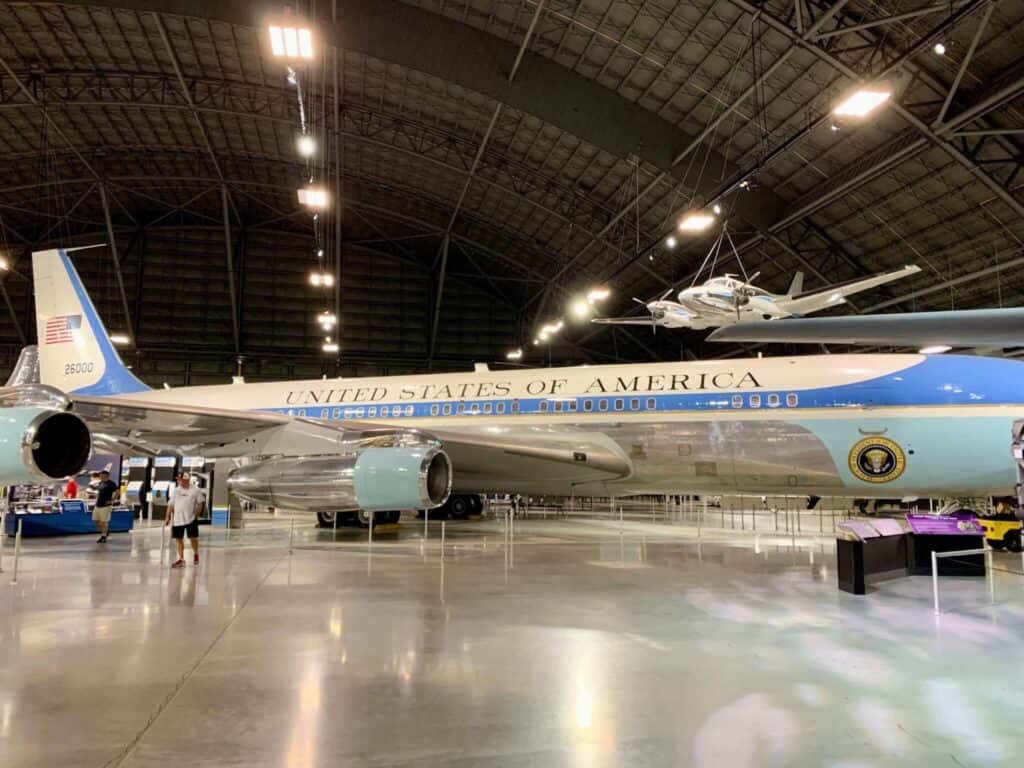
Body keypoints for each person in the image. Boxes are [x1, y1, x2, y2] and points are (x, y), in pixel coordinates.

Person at [166, 473, 203, 568]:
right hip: (177, 519)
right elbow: (170, 504)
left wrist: (197, 513)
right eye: (178, 479)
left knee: (193, 538)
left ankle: (196, 553)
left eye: (180, 479)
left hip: (191, 518)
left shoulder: (195, 490)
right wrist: (168, 516)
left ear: (186, 480)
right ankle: (181, 559)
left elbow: (200, 503)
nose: (179, 481)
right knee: (179, 540)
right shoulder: (176, 491)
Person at [93, 470, 118, 543]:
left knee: (104, 521)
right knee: (96, 520)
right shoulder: (101, 483)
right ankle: (105, 532)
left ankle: (103, 536)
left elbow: (117, 491)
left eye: (101, 475)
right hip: (98, 505)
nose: (100, 477)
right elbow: (99, 493)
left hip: (106, 506)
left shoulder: (111, 483)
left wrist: (112, 500)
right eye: (100, 475)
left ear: (106, 476)